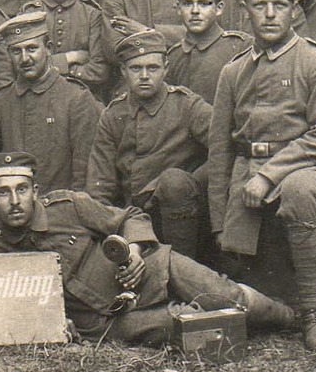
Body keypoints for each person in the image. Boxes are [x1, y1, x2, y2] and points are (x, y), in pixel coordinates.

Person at [0, 151, 305, 344]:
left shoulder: (69, 206)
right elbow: (14, 314)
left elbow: (131, 216)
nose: (15, 201)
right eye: (3, 193)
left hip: (152, 271)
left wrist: (134, 251)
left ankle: (295, 318)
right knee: (193, 326)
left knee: (224, 296)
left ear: (35, 190)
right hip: (106, 320)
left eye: (21, 189)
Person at [206, 0, 316, 352]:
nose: (270, 14)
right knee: (247, 277)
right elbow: (220, 148)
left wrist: (270, 175)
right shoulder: (234, 71)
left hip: (315, 177)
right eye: (260, 5)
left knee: (300, 190)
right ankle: (303, 301)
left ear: (294, 11)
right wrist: (220, 218)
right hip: (248, 182)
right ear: (245, 11)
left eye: (280, 5)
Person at [87, 29, 218, 265]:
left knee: (173, 182)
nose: (145, 76)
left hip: (186, 218)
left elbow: (224, 148)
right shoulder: (113, 115)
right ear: (123, 71)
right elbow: (101, 184)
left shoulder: (186, 105)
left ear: (166, 69)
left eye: (153, 68)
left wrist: (188, 182)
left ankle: (181, 271)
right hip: (135, 221)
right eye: (136, 69)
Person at [0, 11, 101, 194]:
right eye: (16, 51)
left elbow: (85, 173)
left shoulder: (76, 98)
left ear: (48, 49)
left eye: (31, 48)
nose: (24, 58)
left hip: (63, 211)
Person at [164, 0, 250, 104]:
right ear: (178, 9)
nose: (195, 11)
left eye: (204, 4)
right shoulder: (174, 56)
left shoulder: (240, 47)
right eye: (187, 4)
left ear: (219, 8)